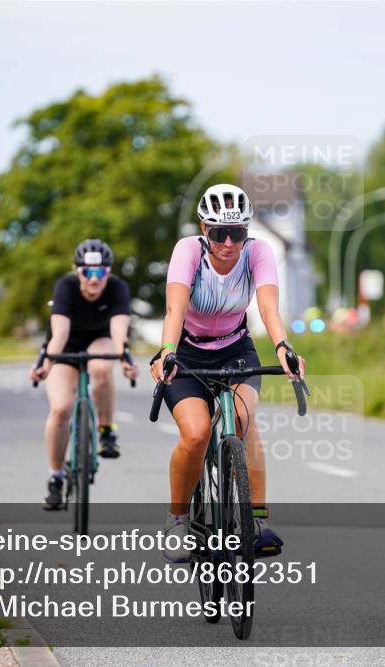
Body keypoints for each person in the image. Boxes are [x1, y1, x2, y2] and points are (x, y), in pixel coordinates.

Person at [149, 184, 306, 562]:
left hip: (235, 350)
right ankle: (178, 520)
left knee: (243, 419)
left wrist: (283, 347)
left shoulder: (258, 252)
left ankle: (256, 521)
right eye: (220, 233)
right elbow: (174, 308)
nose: (229, 243)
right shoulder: (187, 251)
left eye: (237, 233)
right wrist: (167, 352)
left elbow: (268, 309)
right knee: (198, 432)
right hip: (187, 353)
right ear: (205, 230)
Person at [30, 240, 138, 510]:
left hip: (100, 340)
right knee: (60, 409)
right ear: (77, 272)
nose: (94, 279)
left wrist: (124, 358)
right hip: (65, 345)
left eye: (100, 272)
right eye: (87, 272)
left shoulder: (117, 289)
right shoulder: (65, 287)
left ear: (108, 272)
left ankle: (106, 430)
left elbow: (118, 332)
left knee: (102, 368)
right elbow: (60, 335)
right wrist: (46, 365)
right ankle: (55, 477)